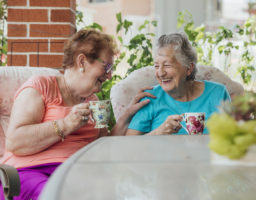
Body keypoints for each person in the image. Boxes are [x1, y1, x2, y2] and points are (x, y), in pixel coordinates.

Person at [0, 29, 155, 200]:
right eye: (107, 66)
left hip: (77, 172)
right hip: (30, 171)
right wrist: (66, 125)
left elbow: (103, 145)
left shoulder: (94, 101)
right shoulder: (41, 86)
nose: (109, 75)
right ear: (82, 61)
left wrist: (128, 114)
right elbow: (15, 142)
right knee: (58, 194)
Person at [126, 33, 231, 136]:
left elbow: (233, 137)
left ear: (189, 69)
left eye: (167, 65)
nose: (161, 73)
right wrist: (157, 132)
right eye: (157, 66)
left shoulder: (218, 93)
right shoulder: (150, 97)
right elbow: (129, 145)